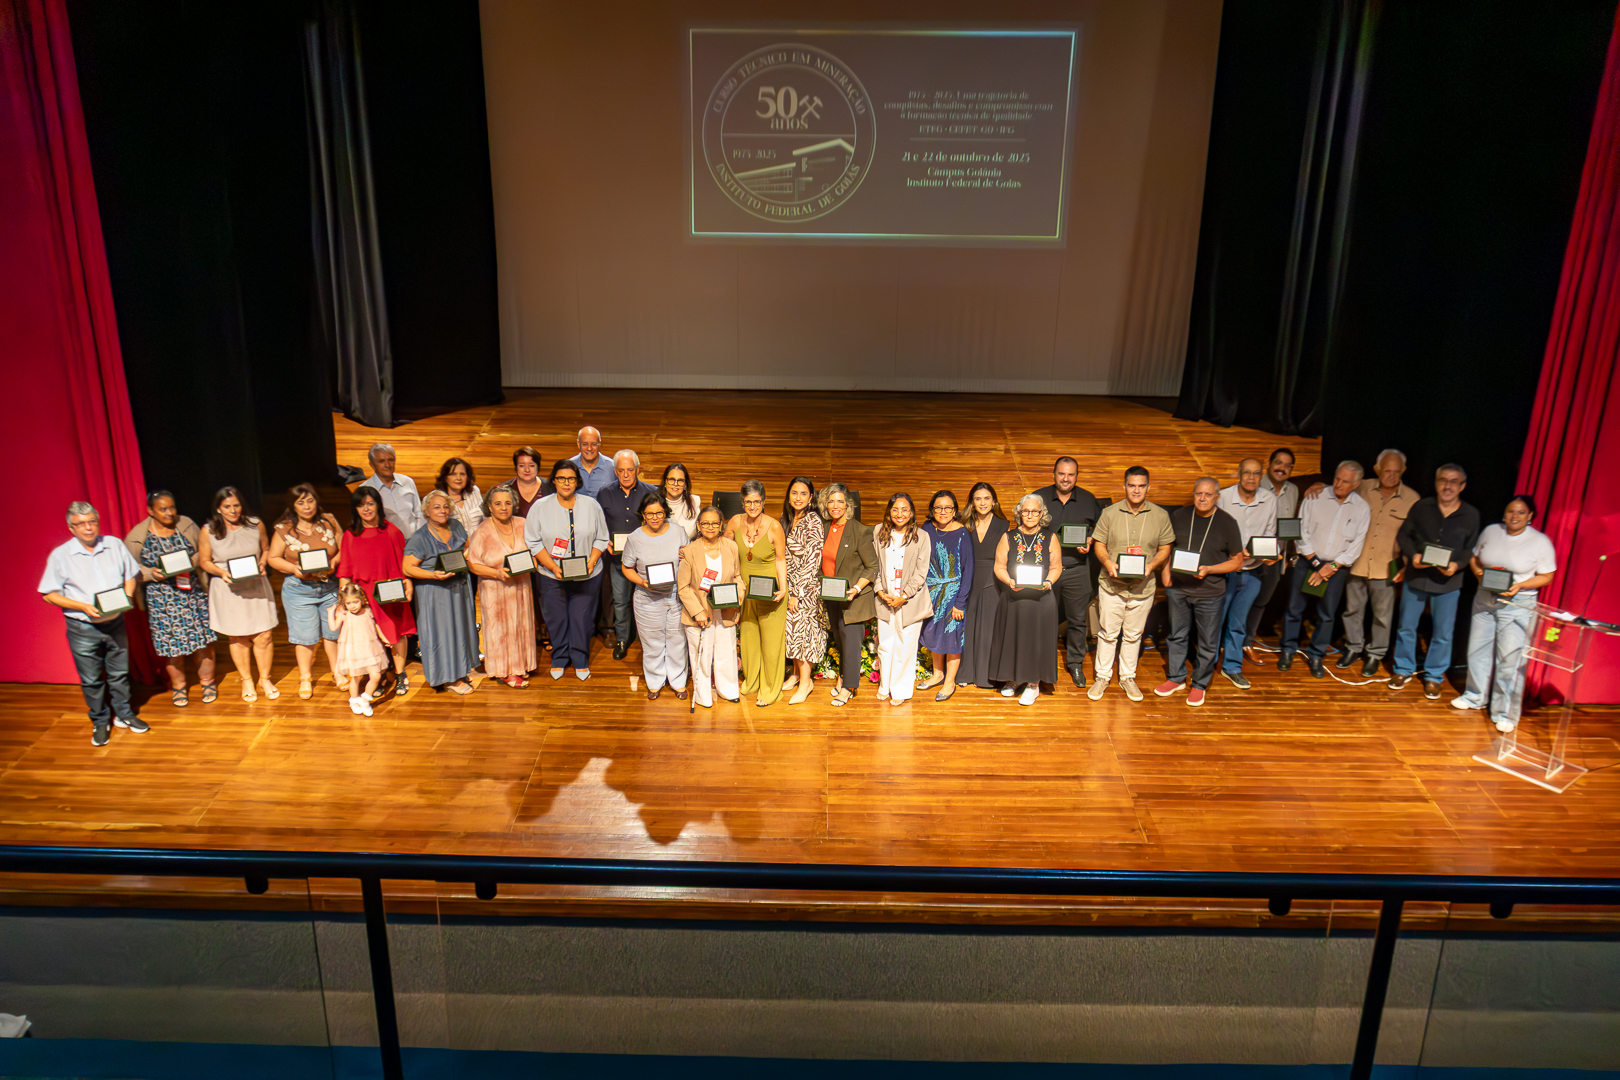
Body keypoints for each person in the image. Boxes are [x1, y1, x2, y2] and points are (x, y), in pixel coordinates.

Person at [40, 501, 147, 745]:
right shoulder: (61, 555)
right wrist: (83, 606)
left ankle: (124, 714)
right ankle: (100, 721)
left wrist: (128, 595)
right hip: (82, 627)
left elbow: (130, 575)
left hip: (115, 622)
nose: (88, 528)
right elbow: (48, 594)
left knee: (119, 673)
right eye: (81, 524)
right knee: (91, 679)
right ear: (71, 528)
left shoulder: (114, 545)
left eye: (92, 522)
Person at [1451, 495, 1557, 731]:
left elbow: (1547, 576)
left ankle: (1505, 713)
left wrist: (1519, 585)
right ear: (1504, 513)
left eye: (1521, 512)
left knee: (1510, 658)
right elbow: (1475, 558)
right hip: (1485, 597)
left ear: (1530, 516)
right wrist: (1479, 574)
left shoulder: (1540, 542)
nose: (1515, 516)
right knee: (1477, 650)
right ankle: (1474, 696)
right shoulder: (1491, 531)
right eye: (1511, 511)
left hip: (1517, 602)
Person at [1391, 464, 1481, 698]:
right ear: (1436, 482)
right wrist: (1413, 556)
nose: (1447, 486)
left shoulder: (1471, 514)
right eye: (1443, 480)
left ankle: (1433, 676)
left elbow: (1470, 549)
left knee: (1443, 633)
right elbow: (1404, 535)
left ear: (1462, 486)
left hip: (1448, 583)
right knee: (1406, 627)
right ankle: (1403, 669)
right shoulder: (1422, 507)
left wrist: (1457, 565)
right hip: (1417, 577)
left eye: (1453, 481)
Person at [1155, 478, 1245, 706]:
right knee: (1176, 635)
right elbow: (1167, 546)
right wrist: (1165, 572)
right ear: (1193, 494)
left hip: (1210, 592)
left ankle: (1199, 684)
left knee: (1207, 642)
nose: (1202, 498)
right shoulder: (1179, 516)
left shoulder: (1227, 522)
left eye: (1208, 494)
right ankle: (1176, 678)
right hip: (1179, 588)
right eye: (1198, 494)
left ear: (1217, 497)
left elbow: (1237, 561)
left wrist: (1209, 569)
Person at [1088, 467, 1175, 701]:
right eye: (1132, 485)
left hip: (1142, 588)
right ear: (1124, 486)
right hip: (1112, 586)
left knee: (1133, 635)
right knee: (1107, 634)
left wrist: (1152, 565)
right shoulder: (1109, 513)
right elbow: (1099, 543)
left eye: (1141, 486)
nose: (1136, 490)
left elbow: (1166, 547)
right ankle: (1102, 677)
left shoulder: (1160, 515)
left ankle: (1127, 677)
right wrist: (1108, 563)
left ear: (1148, 487)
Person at [125, 490, 216, 706]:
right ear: (151, 511)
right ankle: (179, 686)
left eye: (172, 507)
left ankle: (207, 682)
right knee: (171, 648)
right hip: (162, 599)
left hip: (192, 594)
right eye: (163, 509)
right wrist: (150, 573)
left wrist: (191, 562)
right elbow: (129, 567)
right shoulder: (137, 536)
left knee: (203, 642)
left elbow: (204, 551)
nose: (169, 513)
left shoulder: (186, 525)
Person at [1280, 461, 1370, 677]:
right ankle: (1287, 650)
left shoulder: (1362, 508)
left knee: (1327, 614)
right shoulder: (1315, 496)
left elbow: (1355, 546)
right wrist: (1317, 565)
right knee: (1294, 608)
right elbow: (1301, 532)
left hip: (1336, 569)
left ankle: (1316, 655)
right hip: (1308, 561)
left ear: (1356, 484)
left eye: (1345, 481)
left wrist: (1331, 567)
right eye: (1337, 478)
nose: (1338, 484)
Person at [524, 458, 610, 679]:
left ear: (577, 481)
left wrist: (591, 561)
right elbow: (533, 541)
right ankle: (560, 657)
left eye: (571, 478)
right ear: (554, 480)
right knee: (557, 618)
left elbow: (602, 538)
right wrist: (553, 567)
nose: (566, 483)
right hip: (550, 576)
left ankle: (580, 658)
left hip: (588, 574)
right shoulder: (540, 507)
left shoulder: (591, 505)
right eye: (561, 478)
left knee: (582, 619)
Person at [1338, 450, 1419, 676]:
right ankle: (1353, 647)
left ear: (1404, 471)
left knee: (1382, 616)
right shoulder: (1361, 487)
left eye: (1396, 472)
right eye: (1386, 471)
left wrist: (1405, 565)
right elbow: (1337, 490)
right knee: (1352, 609)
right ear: (1377, 469)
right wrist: (1317, 485)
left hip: (1387, 565)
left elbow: (1413, 536)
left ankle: (1375, 654)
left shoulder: (1412, 499)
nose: (1391, 476)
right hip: (1357, 561)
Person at [197, 486, 279, 702]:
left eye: (236, 505)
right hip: (228, 588)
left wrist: (263, 563)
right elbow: (204, 561)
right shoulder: (208, 530)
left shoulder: (255, 524)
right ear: (218, 508)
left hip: (255, 584)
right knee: (238, 636)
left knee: (264, 635)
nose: (232, 511)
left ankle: (264, 679)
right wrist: (221, 572)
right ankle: (247, 680)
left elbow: (266, 548)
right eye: (227, 507)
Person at [336, 487, 416, 696]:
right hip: (363, 596)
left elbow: (403, 563)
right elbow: (345, 571)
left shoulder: (391, 531)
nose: (366, 509)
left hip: (390, 592)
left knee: (395, 633)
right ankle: (378, 675)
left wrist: (407, 583)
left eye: (370, 504)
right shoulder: (350, 535)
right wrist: (344, 601)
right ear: (355, 509)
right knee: (372, 638)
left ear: (378, 505)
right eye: (361, 505)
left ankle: (399, 673)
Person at [266, 484, 343, 699]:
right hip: (299, 590)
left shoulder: (328, 520)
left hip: (329, 586)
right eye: (301, 502)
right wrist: (293, 569)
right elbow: (273, 558)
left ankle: (338, 672)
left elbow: (344, 548)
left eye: (310, 501)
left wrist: (335, 562)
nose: (307, 506)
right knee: (305, 638)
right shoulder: (284, 529)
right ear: (293, 506)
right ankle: (306, 678)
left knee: (333, 633)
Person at [1033, 457, 1101, 687]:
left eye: (1071, 474)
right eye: (1062, 473)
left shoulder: (1088, 499)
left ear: (1076, 476)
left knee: (1078, 621)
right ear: (1054, 474)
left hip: (1077, 569)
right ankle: (1040, 663)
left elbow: (1100, 529)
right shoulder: (1038, 498)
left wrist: (1090, 539)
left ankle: (1075, 664)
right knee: (1042, 618)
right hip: (1044, 571)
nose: (1065, 478)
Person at [990, 493, 1062, 705]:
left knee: (1036, 641)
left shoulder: (1050, 537)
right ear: (1019, 513)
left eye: (1034, 511)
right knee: (1013, 638)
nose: (1030, 515)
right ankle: (1013, 679)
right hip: (1014, 597)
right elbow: (999, 567)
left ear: (1042, 513)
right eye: (1025, 511)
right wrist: (1009, 581)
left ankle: (1033, 684)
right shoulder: (1008, 537)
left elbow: (1056, 567)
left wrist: (1048, 581)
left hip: (1042, 600)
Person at [403, 490, 478, 694]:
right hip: (434, 592)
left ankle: (460, 671)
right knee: (441, 633)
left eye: (445, 506)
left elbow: (467, 545)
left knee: (459, 630)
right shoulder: (420, 538)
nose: (442, 510)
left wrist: (464, 556)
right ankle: (448, 678)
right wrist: (433, 575)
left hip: (458, 587)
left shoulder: (456, 526)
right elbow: (407, 568)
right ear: (426, 511)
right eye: (436, 507)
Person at [1215, 459, 1279, 690]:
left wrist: (1272, 553)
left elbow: (1270, 533)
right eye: (1247, 473)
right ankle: (1207, 664)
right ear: (1239, 473)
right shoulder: (1223, 497)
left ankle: (1232, 667)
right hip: (1226, 571)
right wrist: (1235, 551)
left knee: (1238, 623)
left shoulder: (1270, 499)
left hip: (1253, 572)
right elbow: (1215, 533)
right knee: (1216, 620)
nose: (1251, 477)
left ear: (1262, 476)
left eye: (1256, 473)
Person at [466, 485, 538, 688]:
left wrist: (533, 563)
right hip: (495, 589)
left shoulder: (523, 523)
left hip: (521, 586)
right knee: (501, 630)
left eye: (508, 503)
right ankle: (504, 671)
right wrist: (497, 573)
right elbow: (473, 564)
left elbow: (534, 550)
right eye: (498, 504)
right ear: (489, 507)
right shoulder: (481, 531)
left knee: (521, 625)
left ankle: (519, 665)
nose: (503, 507)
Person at [621, 492, 689, 699]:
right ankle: (655, 681)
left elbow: (687, 558)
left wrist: (686, 554)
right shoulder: (634, 538)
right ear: (643, 514)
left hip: (675, 596)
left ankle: (678, 681)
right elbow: (626, 568)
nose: (655, 517)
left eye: (659, 513)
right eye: (649, 514)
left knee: (677, 641)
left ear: (665, 512)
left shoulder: (678, 531)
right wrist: (642, 582)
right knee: (652, 643)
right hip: (647, 598)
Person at [726, 480, 788, 707]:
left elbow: (781, 560)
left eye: (757, 501)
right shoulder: (735, 522)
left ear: (764, 501)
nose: (753, 506)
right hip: (745, 590)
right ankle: (752, 681)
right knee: (749, 638)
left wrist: (783, 587)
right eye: (748, 502)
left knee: (771, 644)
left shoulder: (774, 526)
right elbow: (722, 549)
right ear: (742, 502)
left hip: (769, 591)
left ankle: (770, 689)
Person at [818, 482, 877, 707]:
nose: (835, 505)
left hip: (853, 597)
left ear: (847, 505)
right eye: (831, 501)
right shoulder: (824, 528)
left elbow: (872, 567)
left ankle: (848, 688)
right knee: (841, 640)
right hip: (831, 596)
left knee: (851, 642)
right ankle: (843, 678)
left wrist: (857, 588)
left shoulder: (860, 531)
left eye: (840, 501)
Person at [678, 505, 743, 708]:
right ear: (698, 525)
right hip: (700, 612)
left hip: (725, 609)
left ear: (721, 525)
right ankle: (703, 695)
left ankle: (728, 689)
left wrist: (738, 595)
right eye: (705, 523)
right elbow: (683, 587)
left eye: (715, 523)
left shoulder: (731, 547)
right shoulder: (689, 551)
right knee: (701, 654)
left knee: (726, 651)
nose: (710, 527)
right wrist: (697, 612)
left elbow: (737, 576)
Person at [871, 493, 933, 706]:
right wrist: (880, 591)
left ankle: (900, 690)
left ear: (911, 512)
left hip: (910, 600)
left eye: (905, 509)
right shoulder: (879, 531)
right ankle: (885, 686)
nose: (900, 514)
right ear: (889, 511)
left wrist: (904, 596)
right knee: (885, 644)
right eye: (895, 509)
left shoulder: (921, 536)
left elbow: (921, 572)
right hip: (884, 599)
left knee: (905, 646)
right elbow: (874, 565)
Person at [1242, 448, 1302, 665]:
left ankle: (1247, 642)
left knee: (1261, 602)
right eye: (1278, 462)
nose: (1282, 468)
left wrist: (1287, 555)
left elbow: (1289, 526)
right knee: (1240, 601)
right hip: (1250, 557)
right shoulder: (1255, 485)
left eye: (1287, 465)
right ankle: (1227, 641)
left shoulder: (1293, 490)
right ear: (1269, 464)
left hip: (1275, 559)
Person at [598, 449, 656, 659]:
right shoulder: (604, 493)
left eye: (630, 470)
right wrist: (604, 540)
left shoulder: (651, 492)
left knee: (648, 600)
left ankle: (646, 640)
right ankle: (623, 639)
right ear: (615, 471)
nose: (625, 474)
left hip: (646, 559)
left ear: (637, 469)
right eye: (621, 470)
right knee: (621, 601)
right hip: (618, 560)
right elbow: (599, 524)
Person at [917, 489, 974, 701]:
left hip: (953, 594)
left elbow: (968, 569)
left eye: (948, 508)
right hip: (930, 593)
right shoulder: (926, 528)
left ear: (955, 510)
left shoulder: (962, 533)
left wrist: (960, 602)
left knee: (952, 637)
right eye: (938, 508)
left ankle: (949, 682)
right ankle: (937, 674)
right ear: (932, 510)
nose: (943, 512)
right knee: (933, 633)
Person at [958, 483, 1010, 691]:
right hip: (967, 577)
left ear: (994, 501)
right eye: (978, 498)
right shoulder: (963, 524)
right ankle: (965, 673)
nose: (982, 503)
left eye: (986, 498)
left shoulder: (1004, 525)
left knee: (988, 628)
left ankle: (985, 675)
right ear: (972, 502)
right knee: (967, 626)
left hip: (993, 579)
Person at [781, 476, 828, 705]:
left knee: (804, 636)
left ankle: (805, 684)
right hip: (790, 587)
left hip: (806, 589)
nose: (798, 497)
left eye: (803, 493)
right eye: (794, 493)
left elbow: (812, 560)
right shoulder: (788, 520)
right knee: (792, 634)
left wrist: (797, 593)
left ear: (811, 498)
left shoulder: (813, 521)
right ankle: (796, 674)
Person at [330, 582, 389, 715]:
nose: (353, 606)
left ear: (362, 599)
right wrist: (330, 613)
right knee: (355, 678)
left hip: (369, 649)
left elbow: (375, 626)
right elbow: (333, 627)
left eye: (355, 602)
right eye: (348, 603)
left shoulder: (367, 611)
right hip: (354, 651)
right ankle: (354, 700)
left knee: (376, 675)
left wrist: (384, 638)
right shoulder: (345, 615)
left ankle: (365, 699)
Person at [360, 442, 424, 538]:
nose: (387, 465)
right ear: (372, 465)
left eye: (391, 460)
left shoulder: (407, 482)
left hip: (414, 541)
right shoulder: (365, 489)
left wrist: (420, 536)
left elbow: (419, 512)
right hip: (386, 543)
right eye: (381, 461)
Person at [436, 457, 485, 536]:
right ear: (445, 478)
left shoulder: (474, 491)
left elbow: (486, 519)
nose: (459, 478)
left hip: (480, 541)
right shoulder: (436, 498)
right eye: (453, 474)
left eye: (462, 474)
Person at [660, 462, 701, 540]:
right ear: (665, 482)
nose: (676, 484)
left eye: (680, 480)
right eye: (671, 479)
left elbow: (699, 533)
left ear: (685, 485)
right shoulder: (656, 503)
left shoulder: (694, 501)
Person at [569, 426, 613, 498]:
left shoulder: (612, 467)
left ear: (599, 443)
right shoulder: (569, 466)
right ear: (578, 444)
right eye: (585, 444)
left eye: (594, 444)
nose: (589, 448)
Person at [505, 446, 548, 518]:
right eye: (521, 466)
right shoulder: (506, 489)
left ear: (538, 467)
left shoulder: (551, 487)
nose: (527, 470)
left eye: (531, 466)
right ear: (516, 467)